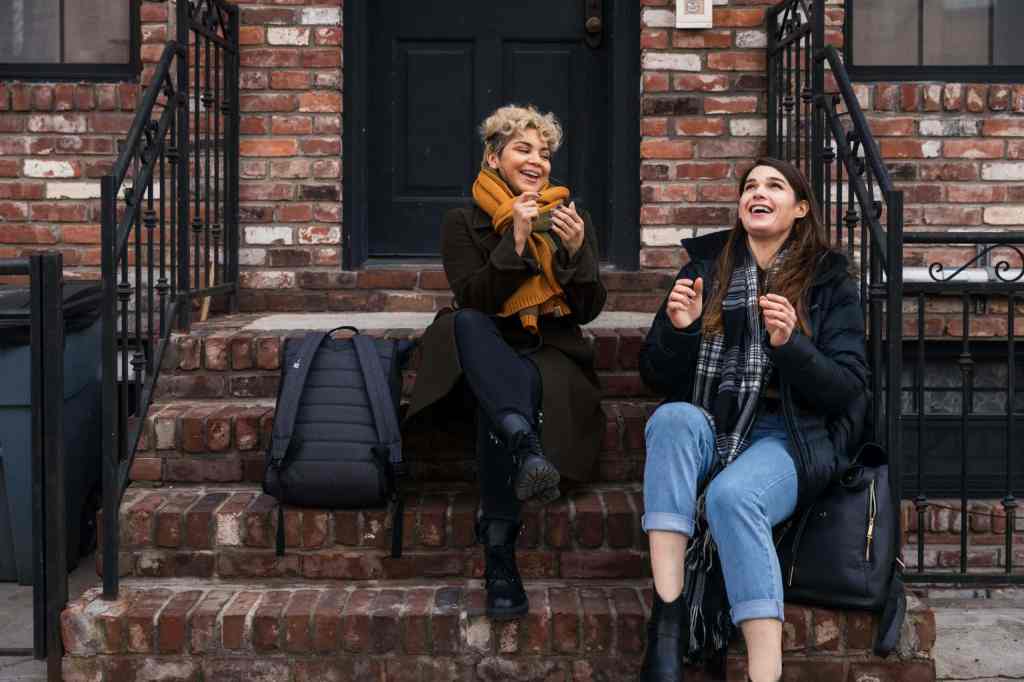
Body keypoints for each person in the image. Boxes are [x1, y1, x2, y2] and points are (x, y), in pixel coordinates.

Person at [636, 158, 868, 682]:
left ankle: (765, 674)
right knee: (671, 421)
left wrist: (792, 346)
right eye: (749, 186)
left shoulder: (828, 281)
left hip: (792, 437)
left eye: (774, 186)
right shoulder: (702, 270)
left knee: (732, 497)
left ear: (800, 208)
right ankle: (668, 623)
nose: (757, 193)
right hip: (711, 422)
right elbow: (654, 375)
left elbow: (850, 390)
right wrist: (680, 333)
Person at [404, 104, 607, 620]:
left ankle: (500, 554)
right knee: (467, 324)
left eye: (545, 153)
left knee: (502, 404)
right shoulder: (462, 223)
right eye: (524, 148)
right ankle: (522, 448)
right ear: (494, 157)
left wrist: (577, 253)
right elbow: (474, 296)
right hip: (488, 345)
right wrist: (514, 242)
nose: (537, 160)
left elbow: (586, 309)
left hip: (550, 356)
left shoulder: (568, 219)